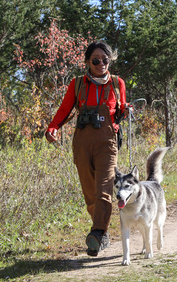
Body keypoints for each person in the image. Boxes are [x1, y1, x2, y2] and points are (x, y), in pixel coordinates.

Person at [45, 41, 129, 256]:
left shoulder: (117, 83)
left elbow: (120, 112)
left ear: (110, 60)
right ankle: (103, 234)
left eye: (105, 60)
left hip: (107, 142)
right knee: (89, 192)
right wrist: (53, 127)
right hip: (82, 141)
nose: (101, 63)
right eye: (96, 60)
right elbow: (65, 109)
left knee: (103, 189)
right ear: (87, 62)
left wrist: (126, 110)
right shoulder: (78, 84)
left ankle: (97, 232)